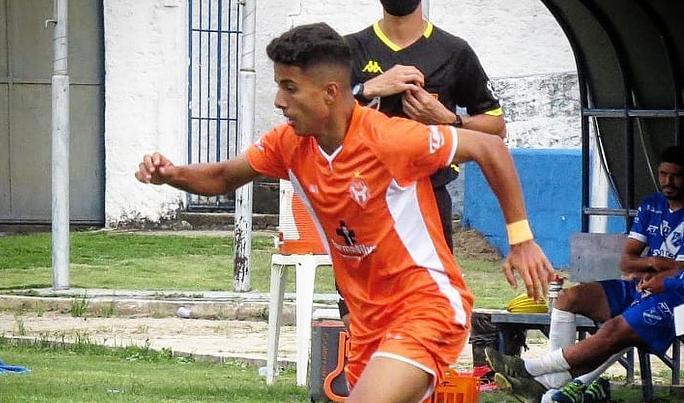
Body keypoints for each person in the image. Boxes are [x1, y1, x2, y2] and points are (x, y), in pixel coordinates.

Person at [135, 23, 553, 403]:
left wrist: (521, 240)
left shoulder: (390, 140)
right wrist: (171, 174)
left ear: (330, 92)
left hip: (426, 306)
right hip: (367, 322)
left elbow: (490, 146)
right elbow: (223, 177)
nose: (279, 101)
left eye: (289, 88)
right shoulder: (288, 144)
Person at [339, 0, 506, 329]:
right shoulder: (349, 49)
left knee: (429, 311)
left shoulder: (454, 51)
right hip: (363, 197)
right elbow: (321, 110)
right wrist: (367, 89)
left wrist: (449, 119)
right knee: (360, 317)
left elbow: (496, 128)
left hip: (428, 196)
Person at [486, 145, 684, 403]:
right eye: (663, 174)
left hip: (675, 298)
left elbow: (678, 273)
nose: (668, 181)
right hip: (640, 286)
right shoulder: (652, 205)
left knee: (615, 329)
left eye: (676, 176)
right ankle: (551, 383)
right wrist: (655, 263)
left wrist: (663, 276)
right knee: (569, 298)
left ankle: (531, 370)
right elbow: (627, 262)